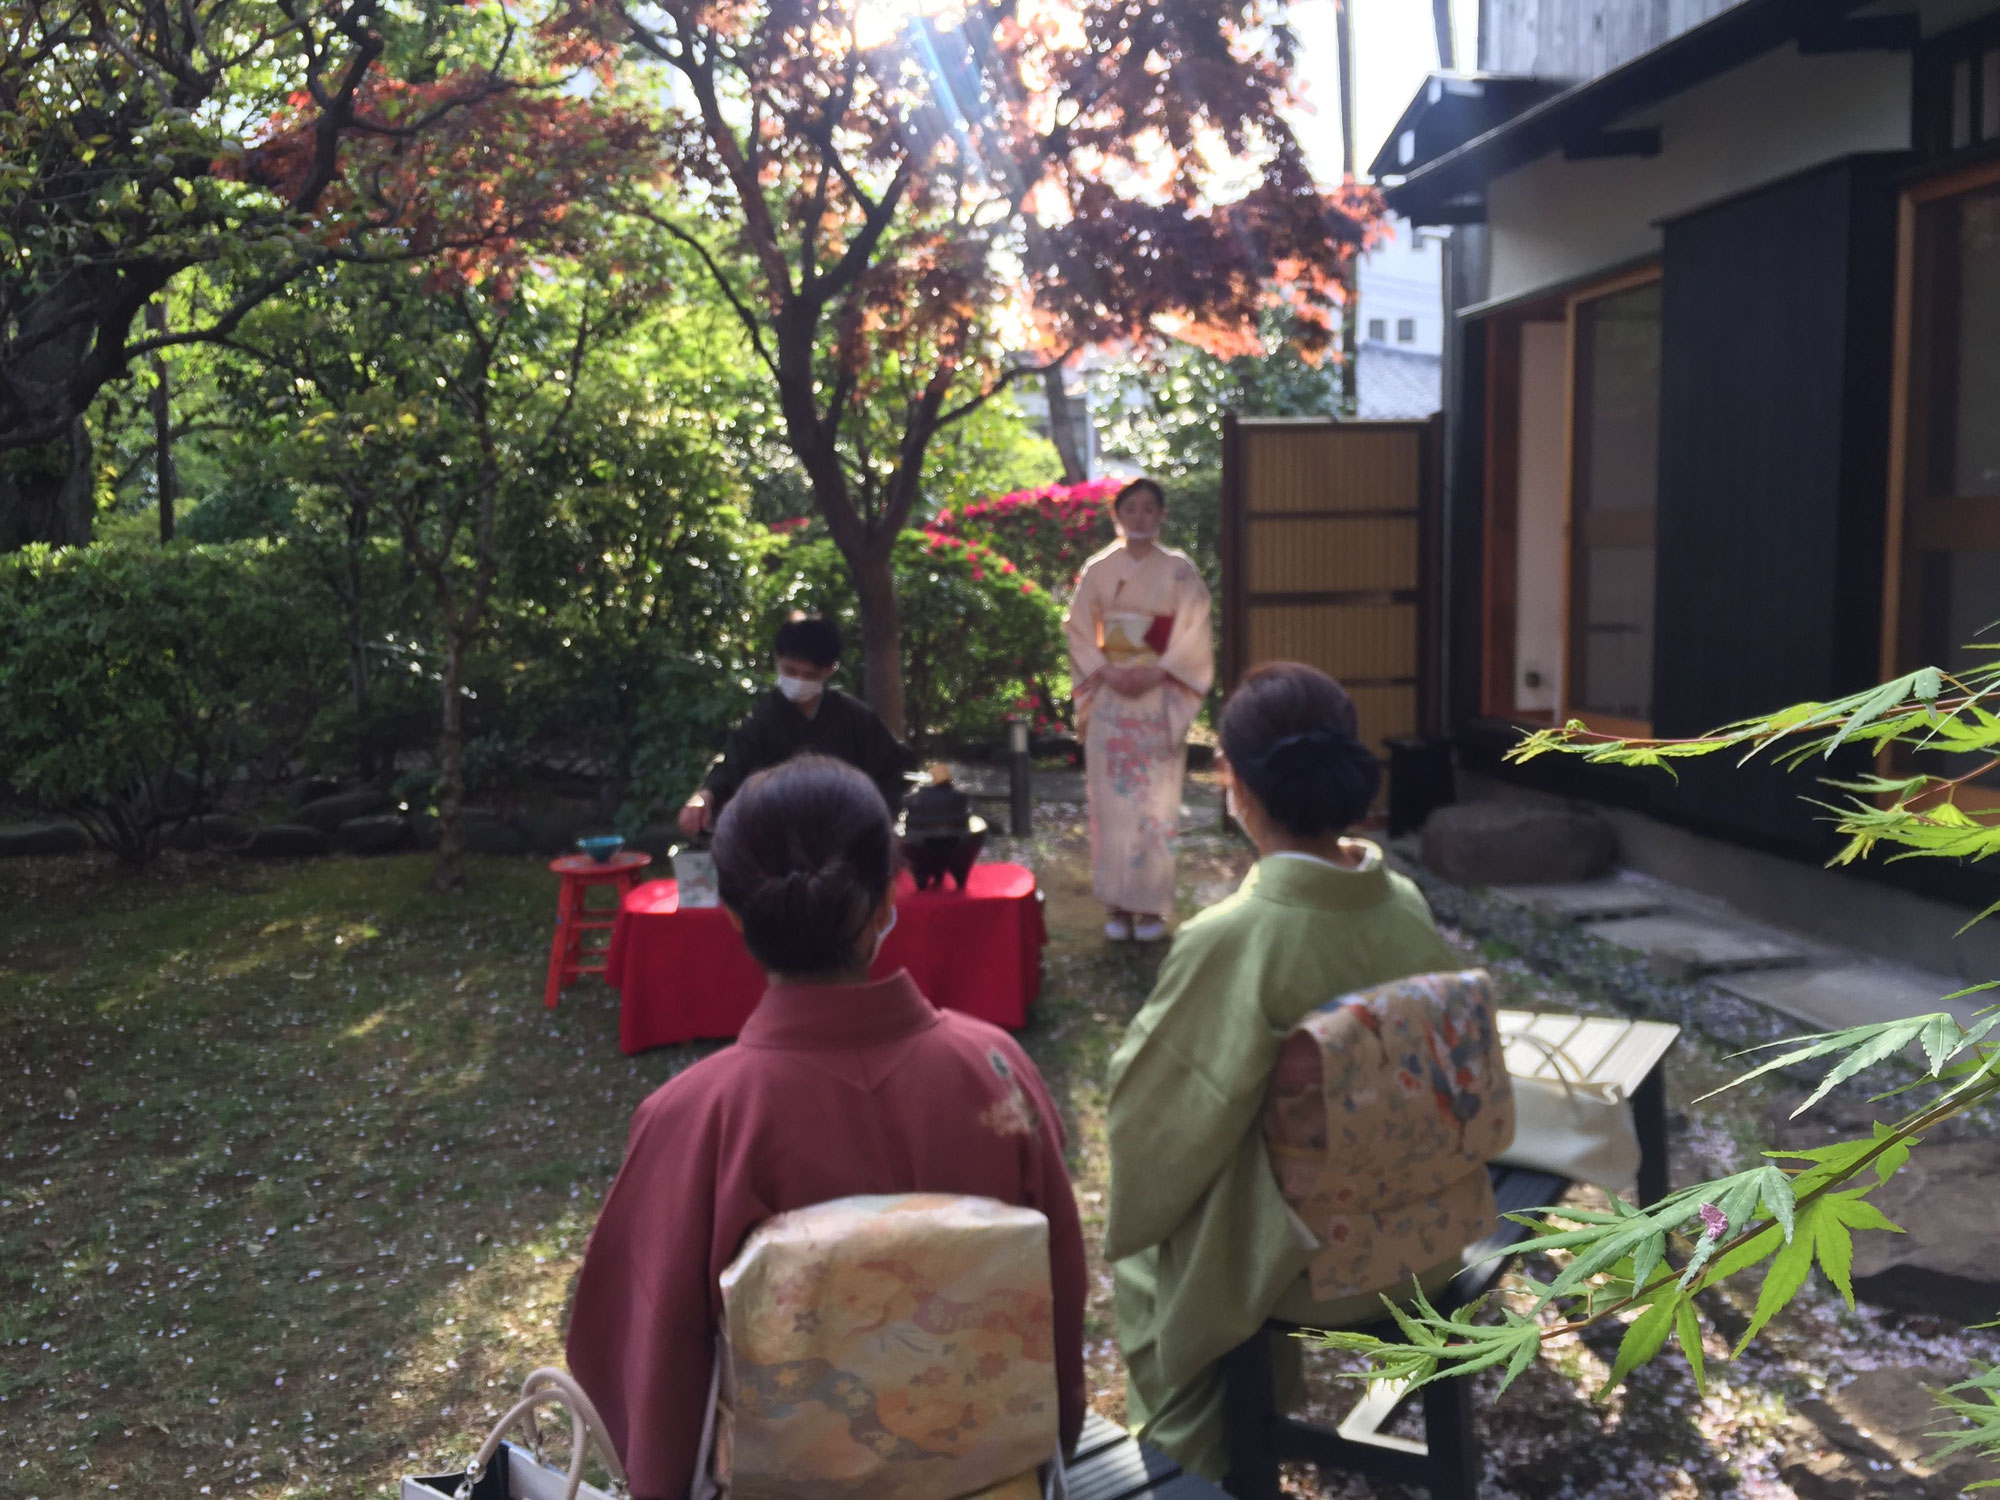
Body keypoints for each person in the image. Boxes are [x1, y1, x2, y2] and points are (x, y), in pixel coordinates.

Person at [567, 755, 1088, 1499]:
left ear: (734, 912)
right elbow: (1057, 1297)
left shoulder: (695, 1118)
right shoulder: (996, 1071)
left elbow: (644, 1365)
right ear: (887, 900)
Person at [1100, 662, 1460, 1481]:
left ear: (1238, 782)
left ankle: (1190, 1467)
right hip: (1424, 1228)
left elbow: (1151, 1128)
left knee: (1153, 1260)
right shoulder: (1401, 900)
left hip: (1313, 1266)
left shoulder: (1237, 940)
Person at [1063, 478, 1213, 942]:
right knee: (1111, 804)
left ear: (1162, 516)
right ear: (1117, 515)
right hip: (1111, 695)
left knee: (1157, 801)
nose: (1141, 517)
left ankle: (1150, 908)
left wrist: (1161, 668)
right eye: (1132, 509)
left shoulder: (1180, 571)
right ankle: (1116, 904)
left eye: (1150, 509)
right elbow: (1078, 628)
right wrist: (1105, 671)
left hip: (1158, 694)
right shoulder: (1099, 569)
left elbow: (1195, 629)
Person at [677, 614, 910, 838]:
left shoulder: (855, 719)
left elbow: (892, 771)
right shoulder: (763, 718)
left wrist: (878, 820)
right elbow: (732, 765)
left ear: (830, 670)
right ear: (777, 660)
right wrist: (704, 796)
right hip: (776, 839)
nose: (798, 681)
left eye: (810, 675)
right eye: (790, 671)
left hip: (845, 837)